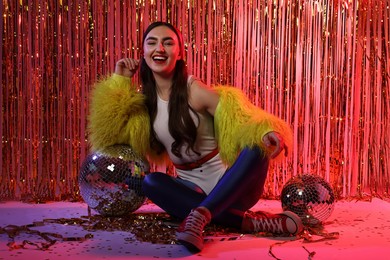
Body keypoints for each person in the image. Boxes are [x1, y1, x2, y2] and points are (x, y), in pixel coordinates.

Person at [88, 21, 303, 252]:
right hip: (190, 190)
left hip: (232, 186)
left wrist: (267, 131)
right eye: (152, 42)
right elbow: (107, 137)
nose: (159, 48)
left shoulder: (195, 90)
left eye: (168, 43)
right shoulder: (144, 105)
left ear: (179, 53)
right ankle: (249, 222)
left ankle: (199, 215)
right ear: (144, 52)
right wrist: (119, 79)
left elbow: (242, 118)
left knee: (256, 147)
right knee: (150, 182)